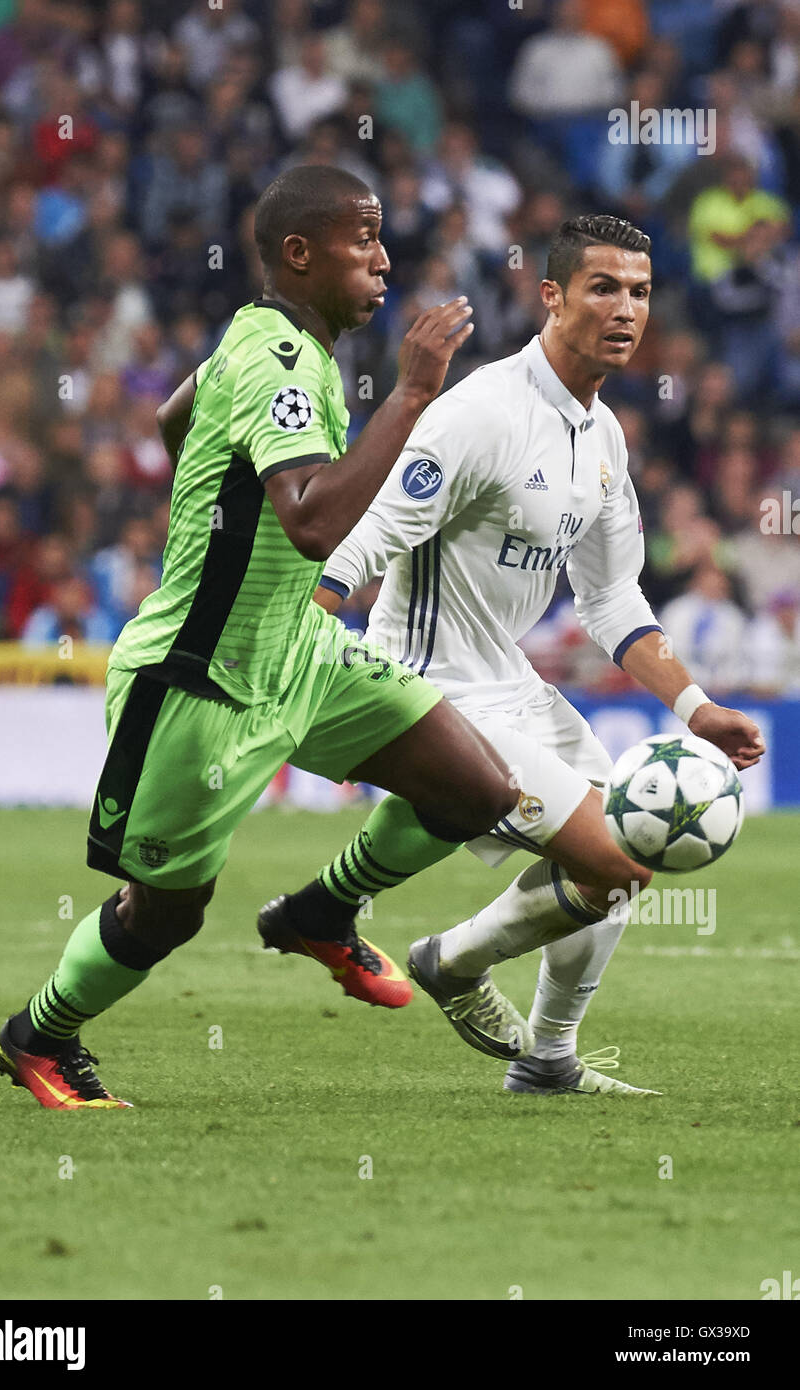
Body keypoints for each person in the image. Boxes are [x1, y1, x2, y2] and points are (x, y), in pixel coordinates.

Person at [0, 164, 522, 1110]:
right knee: (167, 914)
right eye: (363, 241)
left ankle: (325, 910)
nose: (383, 259)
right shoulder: (281, 359)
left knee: (476, 790)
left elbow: (173, 419)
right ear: (299, 253)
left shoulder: (260, 335)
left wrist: (217, 505)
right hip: (205, 679)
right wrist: (411, 395)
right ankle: (40, 1033)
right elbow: (315, 523)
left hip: (302, 653)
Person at [289, 215, 765, 1096]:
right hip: (426, 685)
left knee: (629, 852)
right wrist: (307, 664)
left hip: (506, 678)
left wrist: (696, 708)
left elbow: (614, 599)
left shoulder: (604, 437)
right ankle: (455, 964)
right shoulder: (481, 413)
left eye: (641, 292)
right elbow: (363, 540)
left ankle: (547, 1057)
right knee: (615, 859)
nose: (627, 310)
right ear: (551, 295)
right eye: (604, 288)